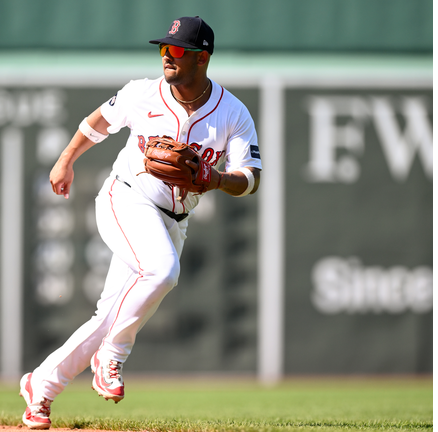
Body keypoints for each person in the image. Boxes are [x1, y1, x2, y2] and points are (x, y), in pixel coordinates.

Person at [19, 16, 262, 429]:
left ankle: (40, 387)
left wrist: (215, 179)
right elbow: (97, 122)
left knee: (110, 315)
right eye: (164, 48)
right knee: (163, 270)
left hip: (175, 219)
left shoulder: (233, 113)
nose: (168, 56)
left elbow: (251, 179)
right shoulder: (143, 93)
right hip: (126, 197)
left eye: (179, 50)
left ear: (202, 58)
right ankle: (111, 358)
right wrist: (65, 161)